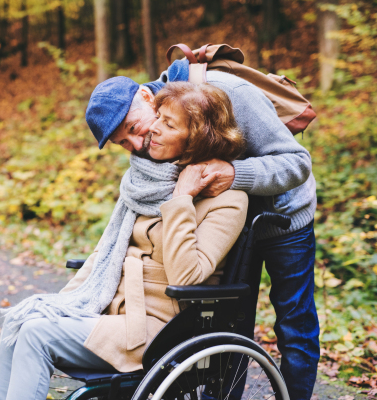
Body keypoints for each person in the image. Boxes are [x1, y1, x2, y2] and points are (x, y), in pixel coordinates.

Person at [0, 82, 248, 400]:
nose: (152, 132)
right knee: (22, 323)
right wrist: (62, 306)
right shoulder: (147, 183)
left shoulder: (228, 199)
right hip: (115, 314)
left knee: (35, 335)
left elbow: (187, 277)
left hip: (160, 329)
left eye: (168, 124)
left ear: (197, 135)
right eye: (159, 119)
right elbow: (106, 254)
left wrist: (182, 199)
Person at [85, 64, 319, 400]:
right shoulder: (157, 122)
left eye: (135, 129)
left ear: (147, 97)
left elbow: (297, 163)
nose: (137, 143)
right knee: (229, 326)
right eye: (125, 142)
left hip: (283, 214)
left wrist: (235, 173)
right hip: (228, 220)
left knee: (294, 324)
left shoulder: (232, 94)